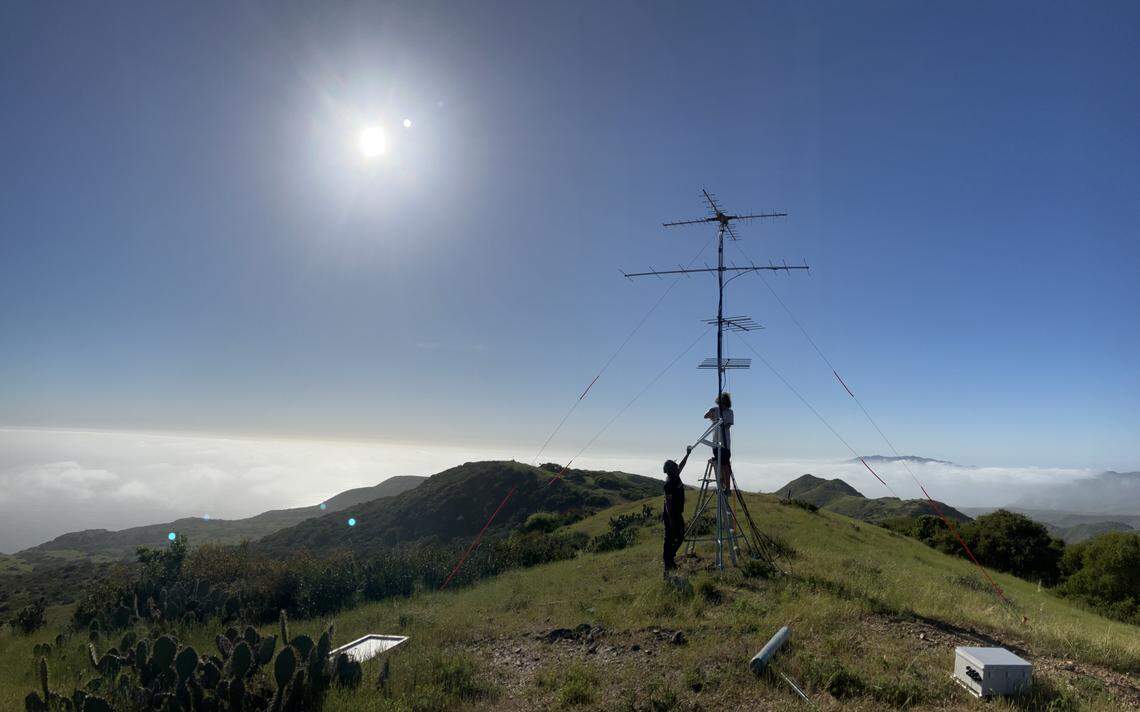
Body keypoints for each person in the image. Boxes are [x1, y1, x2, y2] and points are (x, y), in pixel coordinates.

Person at [662, 446, 692, 572]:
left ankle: (670, 560)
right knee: (672, 537)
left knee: (678, 537)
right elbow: (668, 503)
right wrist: (671, 519)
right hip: (671, 515)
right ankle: (668, 561)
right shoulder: (669, 483)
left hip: (676, 513)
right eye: (675, 467)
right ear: (671, 470)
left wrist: (687, 454)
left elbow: (682, 465)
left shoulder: (675, 475)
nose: (677, 467)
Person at [703, 392, 734, 492]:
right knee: (719, 465)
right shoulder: (716, 410)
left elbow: (728, 425)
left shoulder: (729, 412)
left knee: (725, 465)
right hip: (715, 443)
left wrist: (720, 422)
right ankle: (721, 486)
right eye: (720, 403)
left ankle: (727, 488)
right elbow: (705, 416)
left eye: (723, 403)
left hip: (725, 444)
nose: (721, 405)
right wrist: (711, 411)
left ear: (727, 403)